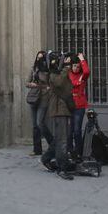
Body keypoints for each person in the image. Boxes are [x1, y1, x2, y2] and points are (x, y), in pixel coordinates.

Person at [41, 52, 75, 180]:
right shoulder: (53, 74)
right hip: (58, 109)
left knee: (59, 139)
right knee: (62, 140)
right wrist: (66, 68)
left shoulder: (59, 72)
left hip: (63, 109)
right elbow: (60, 83)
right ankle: (62, 168)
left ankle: (46, 158)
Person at [26, 51, 53, 156]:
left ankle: (52, 143)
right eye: (38, 58)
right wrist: (31, 84)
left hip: (44, 98)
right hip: (34, 97)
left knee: (39, 122)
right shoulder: (33, 69)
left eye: (41, 58)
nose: (39, 60)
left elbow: (50, 84)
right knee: (34, 125)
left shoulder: (48, 70)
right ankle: (37, 149)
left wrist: (45, 87)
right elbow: (26, 83)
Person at [67, 53, 90, 160]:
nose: (76, 68)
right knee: (69, 131)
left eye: (78, 66)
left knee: (76, 130)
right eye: (74, 66)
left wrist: (82, 59)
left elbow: (87, 71)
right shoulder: (67, 73)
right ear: (71, 66)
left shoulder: (83, 75)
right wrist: (65, 61)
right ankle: (70, 151)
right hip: (68, 104)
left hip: (79, 105)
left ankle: (78, 152)